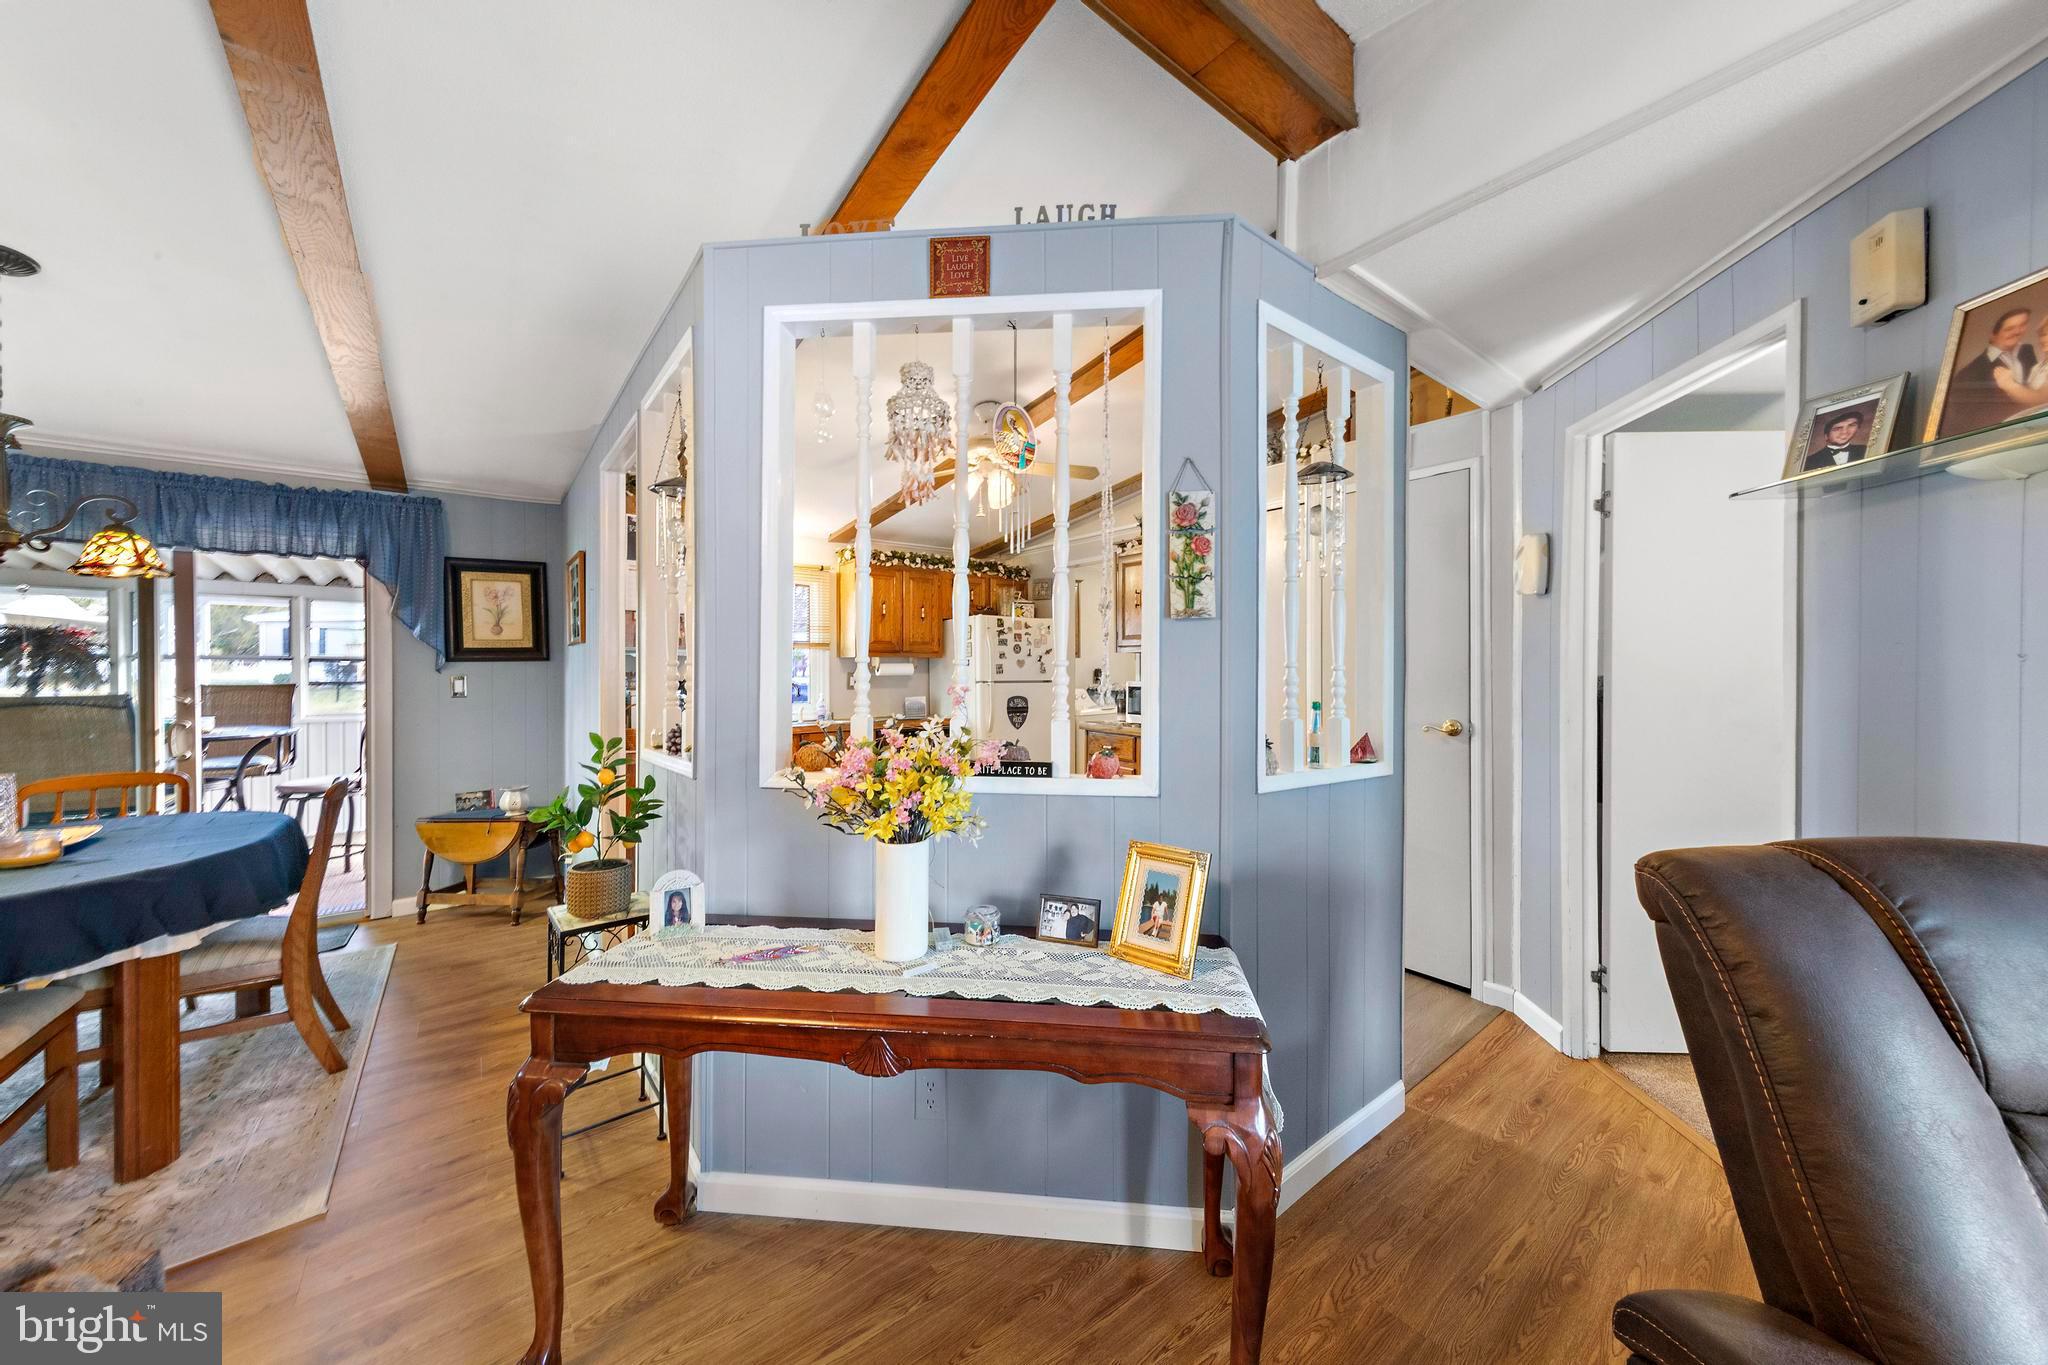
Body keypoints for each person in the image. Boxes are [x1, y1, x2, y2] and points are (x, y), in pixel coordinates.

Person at [1944, 306, 2039, 435]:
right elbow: (1968, 421)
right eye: (2009, 328)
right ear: (1993, 335)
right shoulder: (1969, 373)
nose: (2017, 332)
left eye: (2022, 325)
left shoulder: (2026, 351)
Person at [1990, 313, 2048, 419]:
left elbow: (2043, 400)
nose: (2044, 339)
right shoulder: (2037, 368)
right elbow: (2028, 400)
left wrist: (2009, 385)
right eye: (2043, 334)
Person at [1803, 410, 1870, 470]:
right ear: (1826, 436)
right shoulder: (1809, 462)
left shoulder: (1866, 450)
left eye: (1851, 425)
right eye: (1837, 428)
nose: (1845, 432)